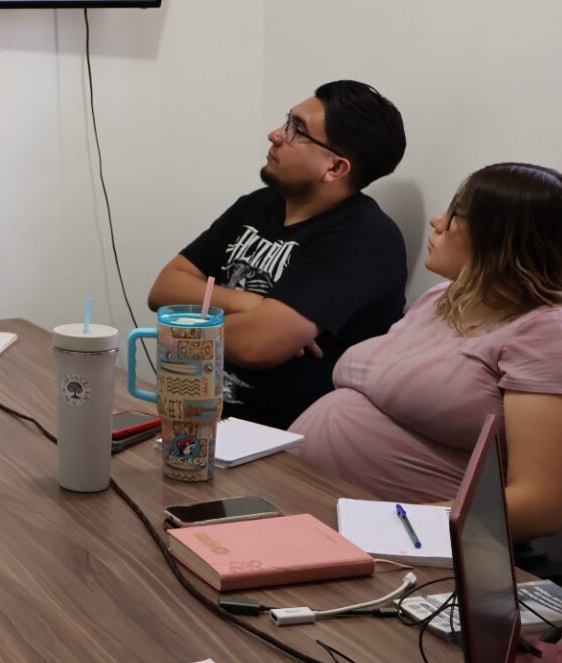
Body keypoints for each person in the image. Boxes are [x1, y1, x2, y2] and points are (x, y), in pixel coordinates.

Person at [293, 163, 562, 541]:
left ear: (499, 238)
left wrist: (386, 525)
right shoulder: (443, 296)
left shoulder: (547, 334)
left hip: (400, 540)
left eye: (455, 214)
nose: (437, 221)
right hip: (310, 498)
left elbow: (540, 506)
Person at [148, 81, 409, 428]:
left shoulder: (362, 239)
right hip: (200, 416)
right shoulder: (260, 204)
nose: (275, 135)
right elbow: (164, 289)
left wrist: (183, 325)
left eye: (297, 130)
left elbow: (256, 345)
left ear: (335, 168)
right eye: (288, 121)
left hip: (281, 441)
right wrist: (251, 304)